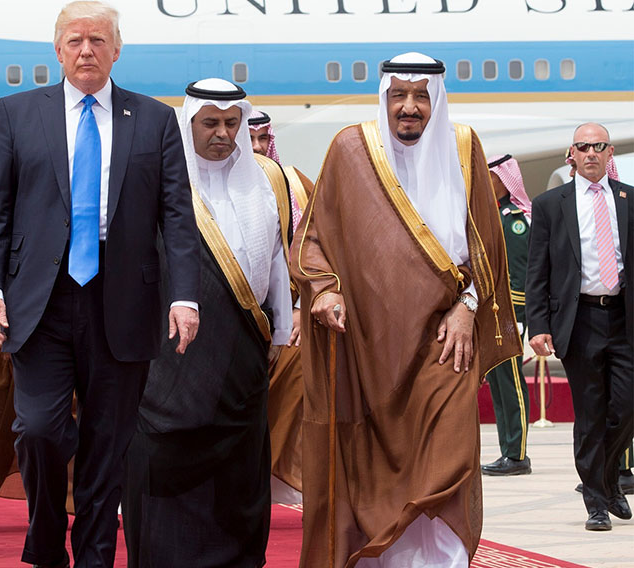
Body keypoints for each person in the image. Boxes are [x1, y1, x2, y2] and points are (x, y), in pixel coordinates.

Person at [0, 1, 201, 568]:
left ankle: (96, 554)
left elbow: (176, 216)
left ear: (116, 50)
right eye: (74, 41)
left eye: (98, 41)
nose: (86, 51)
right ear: (57, 50)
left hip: (121, 299)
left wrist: (184, 295)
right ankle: (47, 539)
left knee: (108, 443)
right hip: (40, 301)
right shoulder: (18, 113)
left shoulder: (153, 119)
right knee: (40, 431)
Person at [291, 52, 521, 567]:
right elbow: (313, 240)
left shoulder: (463, 148)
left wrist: (467, 307)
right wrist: (325, 290)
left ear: (436, 99)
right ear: (385, 98)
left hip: (445, 341)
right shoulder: (351, 149)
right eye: (399, 95)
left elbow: (487, 246)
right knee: (371, 472)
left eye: (421, 96)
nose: (409, 107)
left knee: (449, 463)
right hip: (368, 349)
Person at [122, 78, 293, 567]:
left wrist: (279, 330)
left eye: (231, 123)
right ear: (189, 123)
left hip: (244, 350)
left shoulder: (267, 178)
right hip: (171, 353)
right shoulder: (159, 177)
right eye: (210, 123)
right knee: (165, 458)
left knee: (239, 471)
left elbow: (278, 261)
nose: (222, 133)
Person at [526, 122, 633, 531]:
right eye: (583, 146)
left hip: (624, 318)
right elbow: (538, 269)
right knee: (590, 413)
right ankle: (596, 503)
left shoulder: (628, 200)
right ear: (572, 153)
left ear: (609, 154)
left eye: (599, 146)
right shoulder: (551, 203)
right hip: (579, 320)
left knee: (625, 407)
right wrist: (538, 324)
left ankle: (605, 480)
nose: (591, 153)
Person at [249, 109, 313, 499]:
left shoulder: (294, 184)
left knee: (304, 361)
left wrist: (303, 305)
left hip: (289, 314)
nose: (256, 148)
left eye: (262, 139)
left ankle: (282, 477)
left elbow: (321, 251)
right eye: (249, 139)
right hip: (228, 315)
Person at [481, 154, 533, 476]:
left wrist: (510, 311)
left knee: (511, 381)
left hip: (509, 312)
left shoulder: (512, 219)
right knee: (499, 383)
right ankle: (508, 450)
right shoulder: (493, 216)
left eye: (489, 176)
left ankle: (518, 454)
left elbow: (519, 272)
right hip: (493, 312)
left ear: (502, 179)